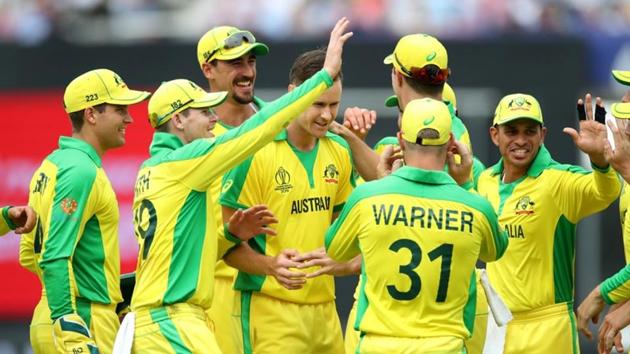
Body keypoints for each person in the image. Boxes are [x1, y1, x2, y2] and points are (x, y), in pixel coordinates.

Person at [128, 18, 352, 353]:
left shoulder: (154, 166)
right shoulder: (196, 155)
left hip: (199, 297)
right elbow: (260, 129)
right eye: (235, 62)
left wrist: (233, 233)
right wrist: (323, 76)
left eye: (251, 60)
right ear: (208, 69)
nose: (247, 70)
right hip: (208, 297)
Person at [325, 97, 508, 354]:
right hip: (445, 347)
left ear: (400, 141)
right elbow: (496, 250)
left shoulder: (367, 198)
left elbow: (335, 248)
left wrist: (381, 183)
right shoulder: (476, 208)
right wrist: (466, 184)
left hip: (380, 346)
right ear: (451, 145)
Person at [219, 46, 358, 354]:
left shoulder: (339, 150)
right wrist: (271, 266)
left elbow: (349, 236)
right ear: (293, 93)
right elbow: (224, 246)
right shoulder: (254, 152)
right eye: (317, 103)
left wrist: (342, 261)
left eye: (334, 105)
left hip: (326, 312)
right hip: (270, 311)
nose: (326, 115)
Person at [475, 92, 621, 353]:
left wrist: (599, 161)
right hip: (497, 329)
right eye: (512, 131)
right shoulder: (486, 180)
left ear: (542, 135)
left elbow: (605, 192)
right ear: (495, 135)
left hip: (547, 329)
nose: (521, 140)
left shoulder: (557, 181)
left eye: (529, 131)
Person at [21, 68, 150, 353]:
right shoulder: (81, 170)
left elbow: (29, 255)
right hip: (82, 320)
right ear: (91, 114)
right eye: (120, 109)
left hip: (52, 314)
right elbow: (54, 256)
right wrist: (70, 327)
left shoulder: (53, 164)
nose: (129, 118)